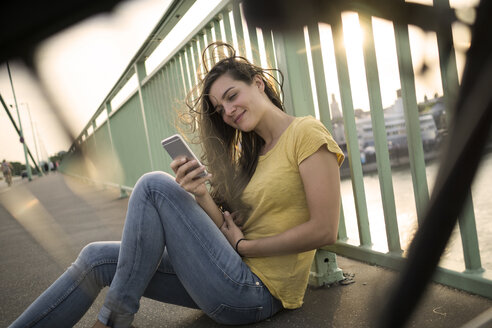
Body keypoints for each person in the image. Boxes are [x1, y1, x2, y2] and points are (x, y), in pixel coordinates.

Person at [9, 42, 344, 328]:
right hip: (229, 273)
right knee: (96, 258)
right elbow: (228, 232)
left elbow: (325, 230)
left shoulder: (305, 133)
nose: (227, 111)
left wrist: (245, 249)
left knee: (154, 185)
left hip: (257, 293)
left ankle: (115, 317)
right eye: (219, 108)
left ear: (258, 83)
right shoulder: (251, 154)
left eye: (232, 96)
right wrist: (200, 194)